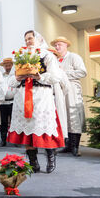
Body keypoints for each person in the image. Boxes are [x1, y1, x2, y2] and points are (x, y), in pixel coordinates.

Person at [7, 31, 65, 174]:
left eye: (31, 38)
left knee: (43, 128)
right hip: (22, 97)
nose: (28, 41)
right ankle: (33, 162)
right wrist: (18, 79)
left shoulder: (47, 56)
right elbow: (10, 81)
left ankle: (51, 157)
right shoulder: (19, 58)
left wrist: (39, 76)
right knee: (27, 129)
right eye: (26, 39)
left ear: (39, 39)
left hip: (41, 97)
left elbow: (56, 77)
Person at [51, 36, 87, 157]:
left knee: (74, 116)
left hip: (72, 90)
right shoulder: (55, 60)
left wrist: (64, 73)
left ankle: (76, 146)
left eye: (59, 44)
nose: (57, 47)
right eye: (55, 45)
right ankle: (67, 145)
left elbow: (83, 72)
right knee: (64, 116)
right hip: (60, 90)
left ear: (66, 45)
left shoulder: (74, 57)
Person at [0, 58, 16, 147]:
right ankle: (3, 139)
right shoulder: (1, 76)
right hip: (3, 102)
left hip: (13, 102)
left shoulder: (15, 76)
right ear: (4, 67)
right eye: (6, 65)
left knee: (14, 121)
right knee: (3, 122)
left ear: (12, 66)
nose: (7, 67)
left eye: (9, 65)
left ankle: (15, 140)